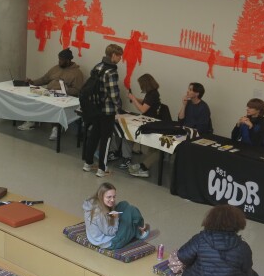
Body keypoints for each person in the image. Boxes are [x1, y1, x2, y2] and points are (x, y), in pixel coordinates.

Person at [174, 205, 261, 276]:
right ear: (238, 223)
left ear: (210, 220)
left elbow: (182, 256)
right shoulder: (242, 246)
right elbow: (246, 267)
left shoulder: (200, 239)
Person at [18, 48, 85, 139]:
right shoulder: (56, 68)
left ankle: (56, 128)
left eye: (61, 60)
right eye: (59, 59)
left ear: (68, 61)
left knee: (55, 106)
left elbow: (78, 90)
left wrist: (67, 90)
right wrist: (32, 82)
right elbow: (44, 79)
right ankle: (32, 121)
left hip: (62, 95)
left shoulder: (77, 73)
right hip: (48, 92)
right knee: (33, 97)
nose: (59, 62)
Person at [82, 44, 124, 177]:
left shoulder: (97, 67)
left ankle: (87, 164)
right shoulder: (111, 72)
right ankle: (102, 168)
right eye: (119, 56)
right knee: (106, 139)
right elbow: (113, 94)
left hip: (95, 108)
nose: (120, 59)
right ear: (113, 55)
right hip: (107, 111)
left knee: (94, 136)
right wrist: (119, 108)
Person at [82, 182, 150, 250]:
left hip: (103, 233)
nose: (112, 200)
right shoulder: (98, 214)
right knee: (129, 213)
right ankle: (139, 231)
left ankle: (138, 228)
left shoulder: (94, 202)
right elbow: (111, 232)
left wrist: (114, 215)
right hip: (111, 242)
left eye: (114, 196)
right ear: (101, 196)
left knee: (124, 204)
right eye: (109, 197)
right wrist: (116, 219)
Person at [124, 73, 163, 177]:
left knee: (156, 150)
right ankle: (145, 166)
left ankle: (144, 166)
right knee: (152, 149)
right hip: (151, 121)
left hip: (152, 123)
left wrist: (133, 98)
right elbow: (146, 102)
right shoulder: (151, 93)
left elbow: (142, 109)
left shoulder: (153, 94)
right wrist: (135, 99)